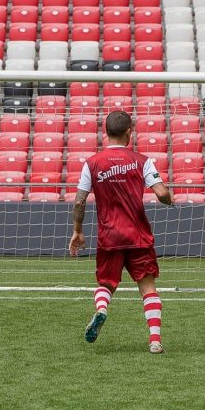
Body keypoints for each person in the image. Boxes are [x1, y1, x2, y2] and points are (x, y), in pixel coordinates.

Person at [69, 111, 173, 354]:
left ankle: (102, 309)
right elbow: (161, 193)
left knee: (106, 284)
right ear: (129, 132)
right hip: (138, 236)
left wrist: (77, 231)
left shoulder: (92, 163)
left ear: (105, 132)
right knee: (148, 287)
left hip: (109, 236)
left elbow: (80, 201)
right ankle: (155, 341)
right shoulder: (142, 160)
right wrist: (169, 199)